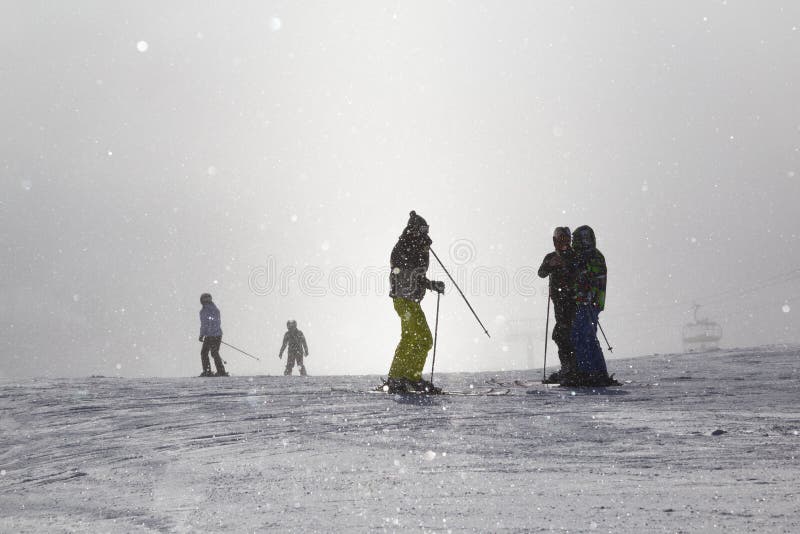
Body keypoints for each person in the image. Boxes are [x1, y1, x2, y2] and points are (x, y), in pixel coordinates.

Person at [385, 211, 445, 393]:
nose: (426, 233)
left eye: (427, 229)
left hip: (412, 300)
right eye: (423, 229)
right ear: (414, 229)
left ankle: (411, 376)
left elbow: (418, 276)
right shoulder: (403, 246)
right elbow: (403, 268)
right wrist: (421, 248)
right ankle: (396, 378)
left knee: (424, 339)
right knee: (411, 337)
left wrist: (432, 285)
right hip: (403, 299)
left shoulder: (417, 247)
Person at [564, 226, 618, 386]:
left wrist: (587, 294)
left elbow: (594, 278)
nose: (575, 242)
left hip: (589, 302)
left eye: (577, 239)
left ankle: (591, 372)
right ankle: (590, 372)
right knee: (582, 336)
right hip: (585, 301)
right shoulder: (584, 255)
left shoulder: (593, 256)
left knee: (585, 336)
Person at [538, 227, 577, 383]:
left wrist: (566, 264)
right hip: (559, 302)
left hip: (573, 301)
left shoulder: (575, 256)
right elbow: (541, 273)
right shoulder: (551, 256)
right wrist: (551, 265)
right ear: (555, 241)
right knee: (562, 334)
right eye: (561, 240)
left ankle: (571, 368)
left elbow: (579, 271)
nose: (564, 243)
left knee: (564, 334)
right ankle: (569, 368)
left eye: (566, 240)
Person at [198, 293, 228, 377]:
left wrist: (202, 335)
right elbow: (215, 323)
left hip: (211, 335)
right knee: (214, 352)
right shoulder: (215, 309)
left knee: (205, 353)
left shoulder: (204, 311)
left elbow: (205, 324)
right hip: (217, 334)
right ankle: (220, 371)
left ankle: (208, 371)